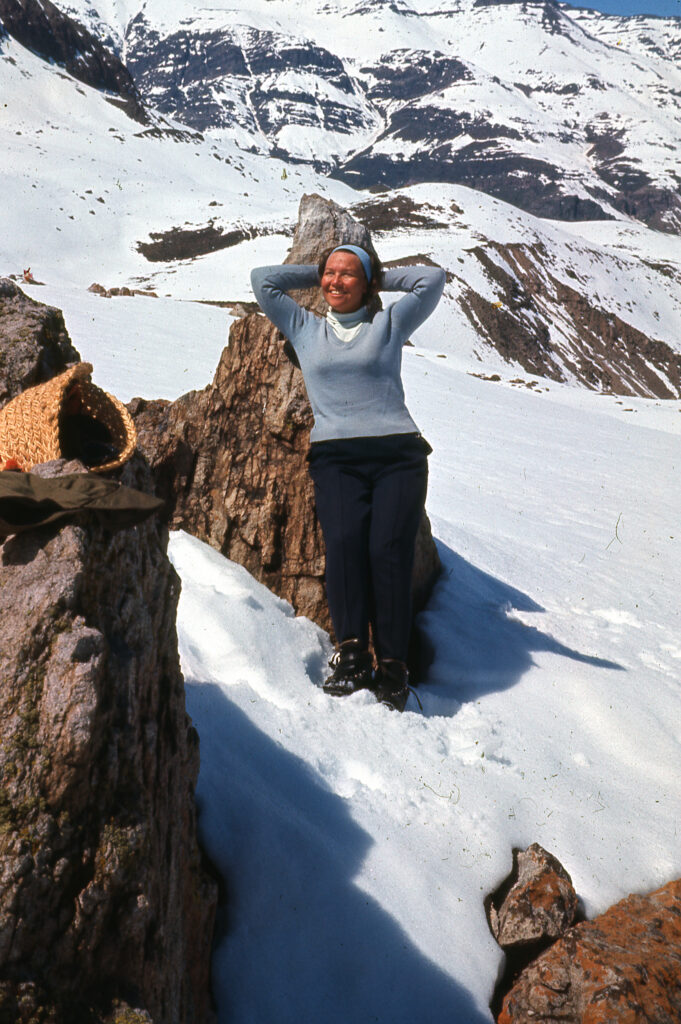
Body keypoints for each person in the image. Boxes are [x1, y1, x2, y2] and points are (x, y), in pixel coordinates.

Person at [251, 244, 445, 711]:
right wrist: (319, 270)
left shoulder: (388, 324)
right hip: (336, 458)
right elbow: (264, 279)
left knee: (388, 552)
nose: (335, 282)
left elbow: (431, 278)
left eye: (347, 275)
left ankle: (394, 666)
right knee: (344, 547)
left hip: (398, 454)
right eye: (329, 275)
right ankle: (353, 653)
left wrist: (377, 274)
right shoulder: (303, 327)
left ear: (367, 284)